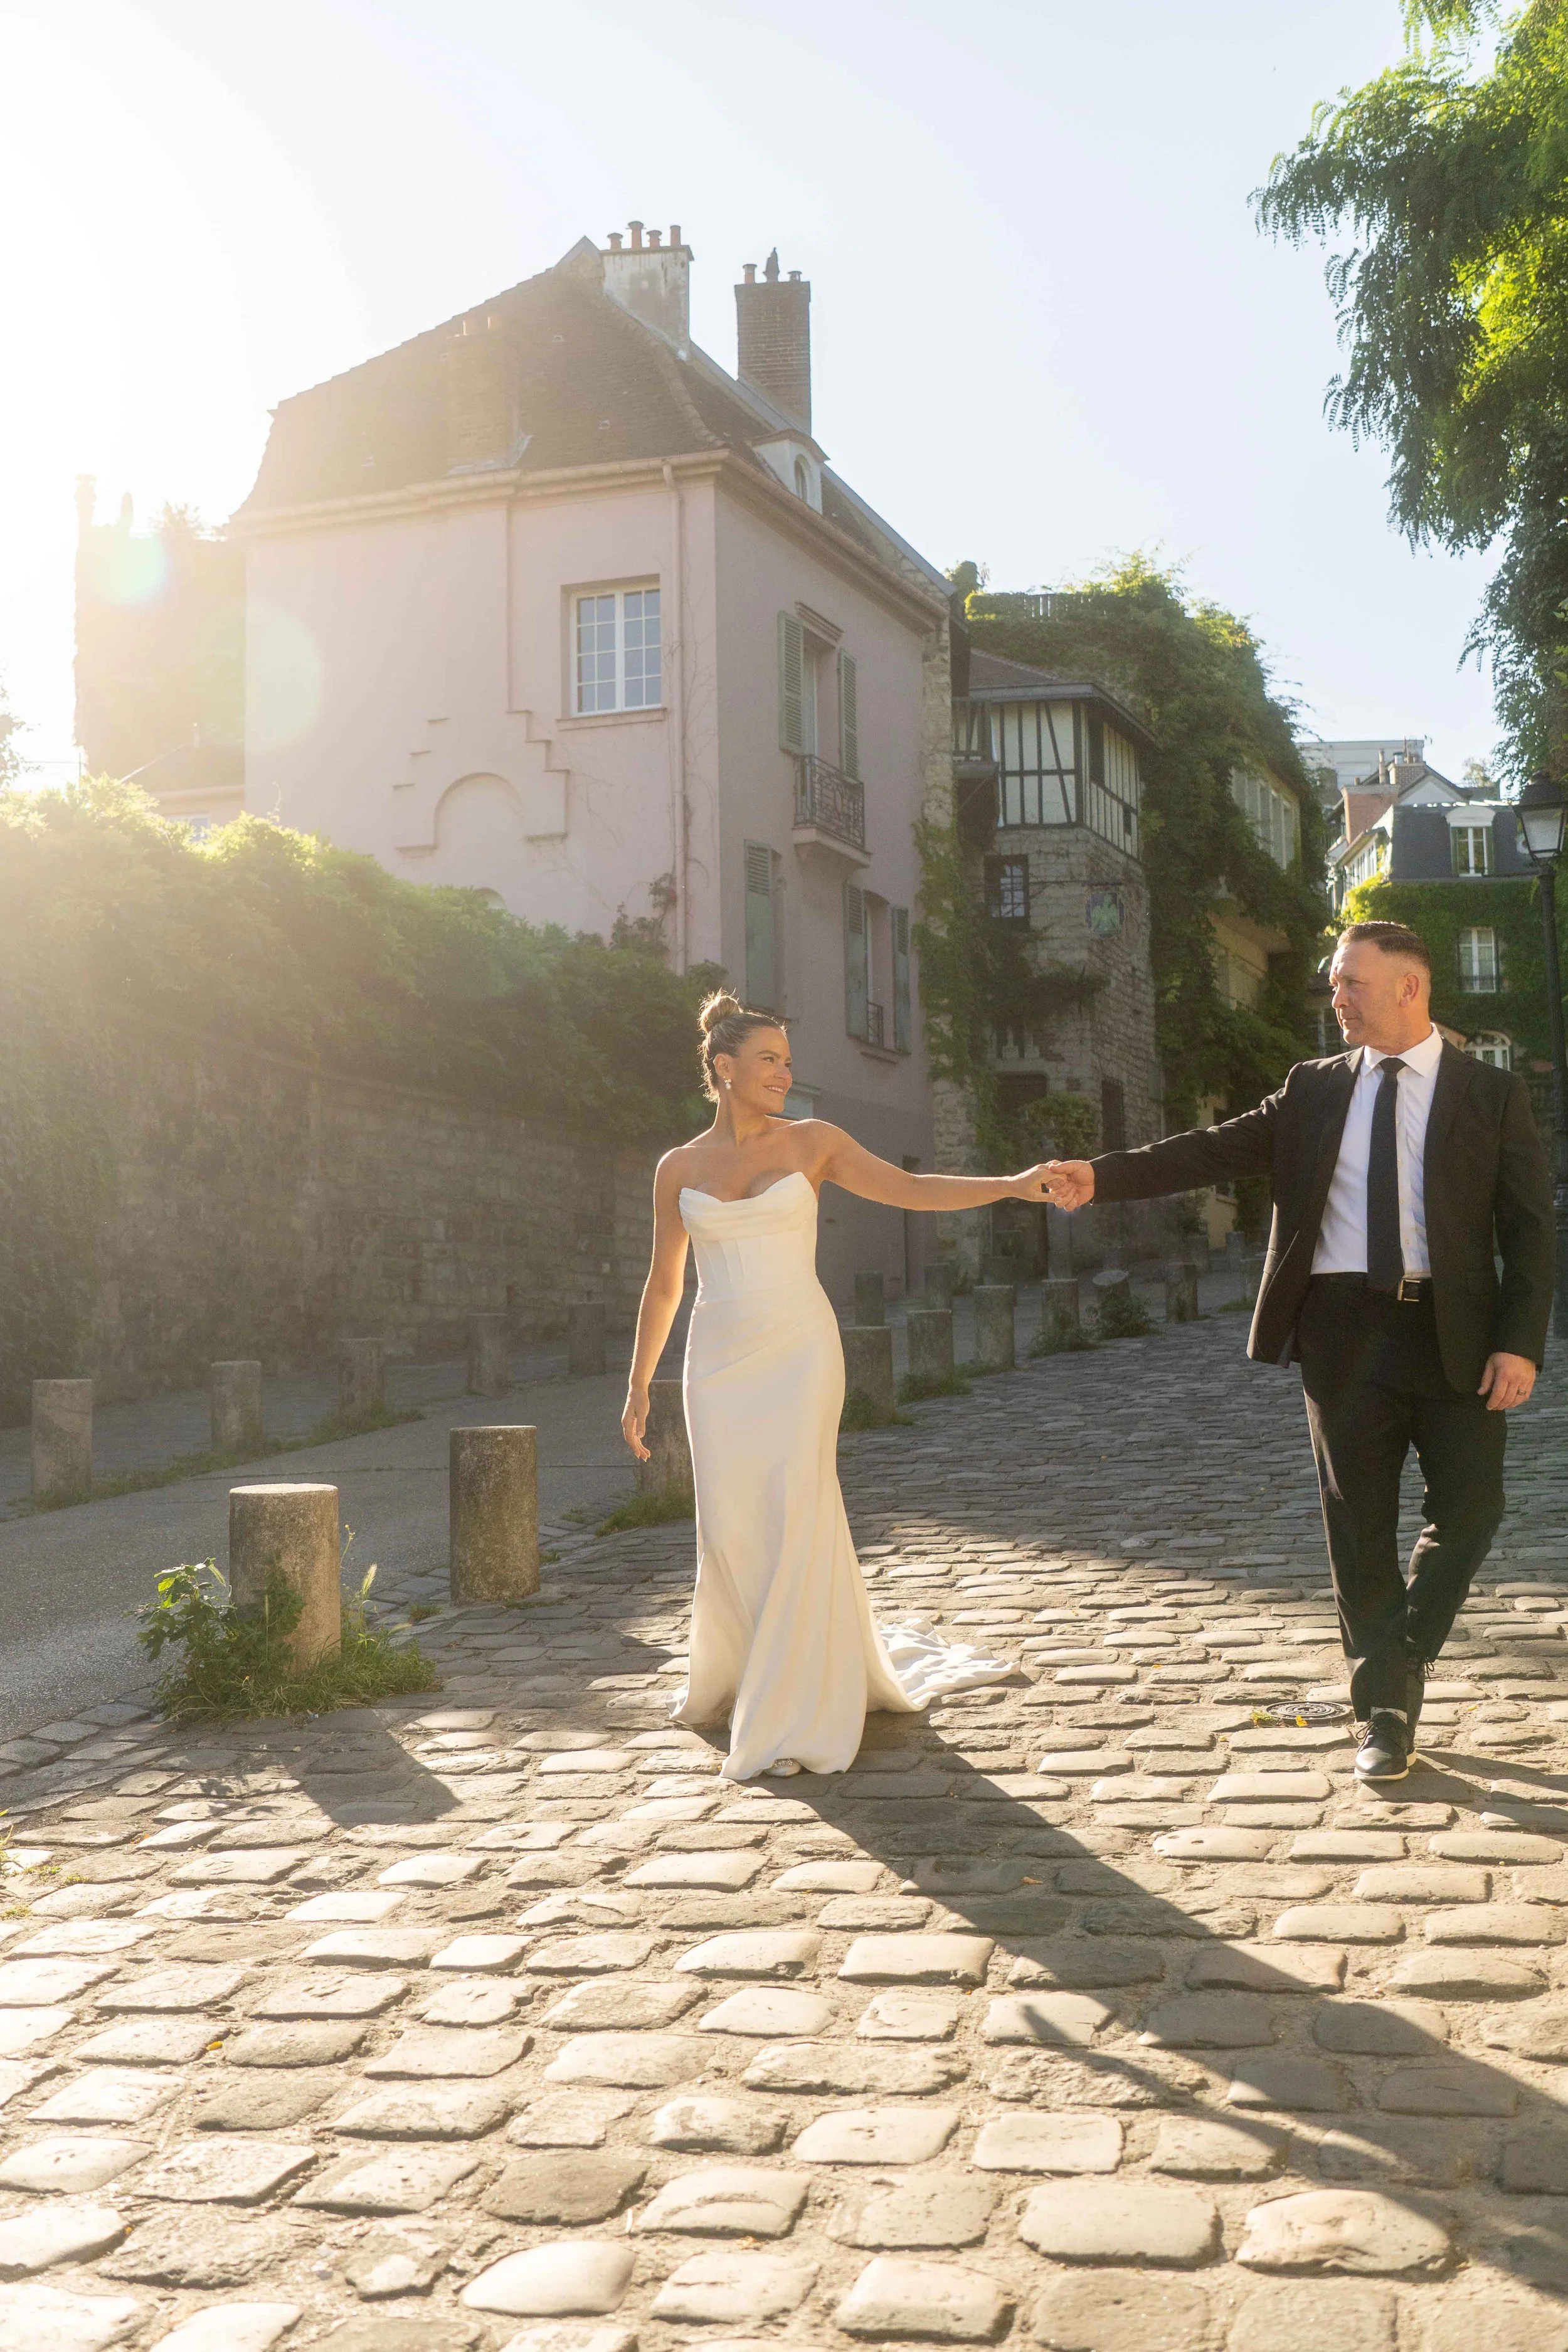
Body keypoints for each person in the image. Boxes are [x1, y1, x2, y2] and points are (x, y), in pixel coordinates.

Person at [1042, 920, 1555, 1783]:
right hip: (1342, 1332)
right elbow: (1211, 1149)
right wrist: (1103, 1173)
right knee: (1358, 1525)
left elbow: (1531, 1232)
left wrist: (1518, 1342)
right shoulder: (1312, 1089)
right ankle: (1383, 1709)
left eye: (1353, 981)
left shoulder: (1489, 1094)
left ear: (1409, 987)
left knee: (1473, 1506)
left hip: (1454, 1334)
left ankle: (1403, 1652)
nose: (1336, 997)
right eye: (1333, 981)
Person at [622, 990, 1055, 1782]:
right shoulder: (677, 1167)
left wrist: (1012, 1183)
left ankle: (791, 1710)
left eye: (788, 1060)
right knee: (730, 1524)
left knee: (795, 1504)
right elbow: (663, 1284)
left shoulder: (814, 1141)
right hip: (717, 1361)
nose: (785, 1073)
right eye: (768, 1060)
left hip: (798, 1348)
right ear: (723, 1069)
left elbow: (911, 1191)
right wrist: (640, 1381)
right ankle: (747, 1674)